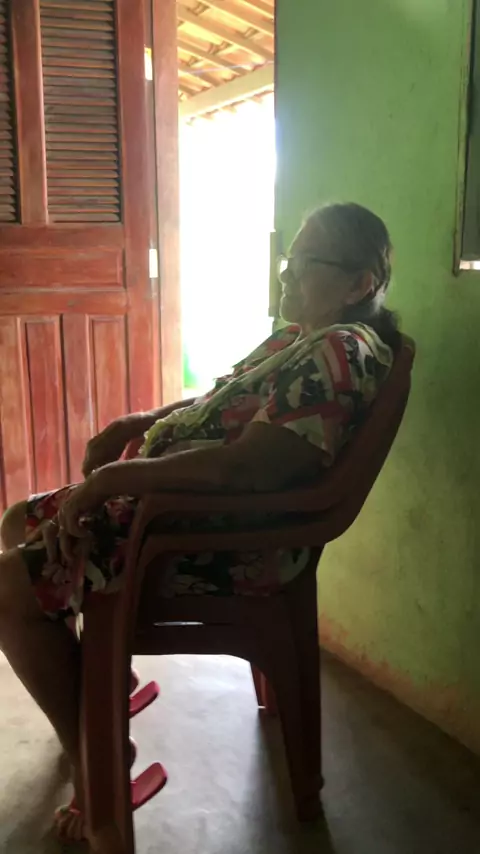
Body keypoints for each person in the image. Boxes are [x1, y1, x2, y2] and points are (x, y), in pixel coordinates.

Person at [0, 202, 398, 845]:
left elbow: (250, 469)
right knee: (19, 520)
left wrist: (117, 480)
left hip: (201, 540)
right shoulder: (299, 339)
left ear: (360, 284)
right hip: (170, 514)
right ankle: (92, 692)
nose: (285, 273)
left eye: (305, 262)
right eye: (288, 258)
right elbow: (219, 400)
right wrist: (141, 424)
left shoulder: (339, 352)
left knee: (7, 588)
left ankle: (94, 757)